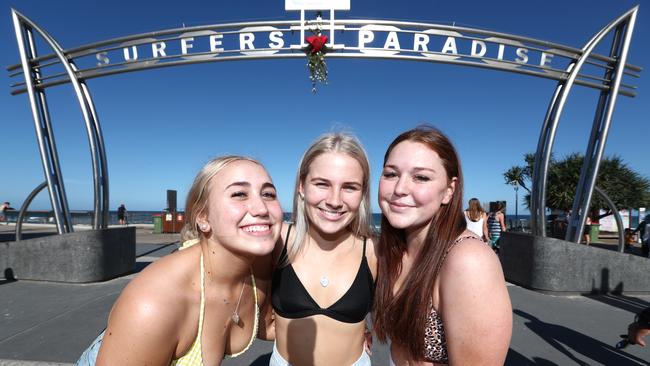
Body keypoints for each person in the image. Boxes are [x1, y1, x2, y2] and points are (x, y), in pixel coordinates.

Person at [75, 156, 283, 365]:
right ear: (203, 218)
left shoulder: (261, 263)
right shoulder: (155, 303)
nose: (261, 208)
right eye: (239, 194)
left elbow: (268, 326)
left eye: (268, 194)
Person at [373, 126, 512, 365]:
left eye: (421, 177)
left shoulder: (468, 261)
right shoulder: (394, 250)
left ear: (449, 191)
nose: (400, 188)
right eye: (391, 174)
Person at [270, 133, 377, 366]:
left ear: (362, 194)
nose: (335, 200)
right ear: (301, 185)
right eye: (322, 184)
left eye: (349, 187)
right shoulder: (277, 241)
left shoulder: (374, 252)